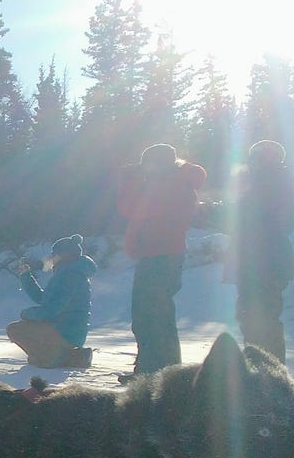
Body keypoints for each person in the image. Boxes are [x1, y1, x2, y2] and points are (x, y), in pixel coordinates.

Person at [117, 143, 206, 376]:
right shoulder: (176, 182)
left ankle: (154, 374)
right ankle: (157, 371)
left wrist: (131, 182)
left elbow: (131, 208)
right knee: (155, 317)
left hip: (159, 257)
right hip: (162, 256)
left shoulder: (170, 185)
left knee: (150, 318)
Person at [222, 140, 294, 363]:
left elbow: (253, 220)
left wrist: (223, 213)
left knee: (259, 319)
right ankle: (264, 371)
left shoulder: (270, 184)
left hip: (264, 263)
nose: (253, 162)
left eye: (257, 157)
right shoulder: (271, 183)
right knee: (256, 317)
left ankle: (267, 374)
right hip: (262, 262)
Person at [6, 234, 96, 369]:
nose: (51, 258)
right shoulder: (71, 273)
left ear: (62, 255)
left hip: (64, 331)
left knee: (15, 329)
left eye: (54, 254)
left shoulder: (68, 276)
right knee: (25, 327)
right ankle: (70, 355)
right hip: (72, 331)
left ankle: (55, 357)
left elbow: (49, 311)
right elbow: (44, 299)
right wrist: (26, 277)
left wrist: (26, 314)